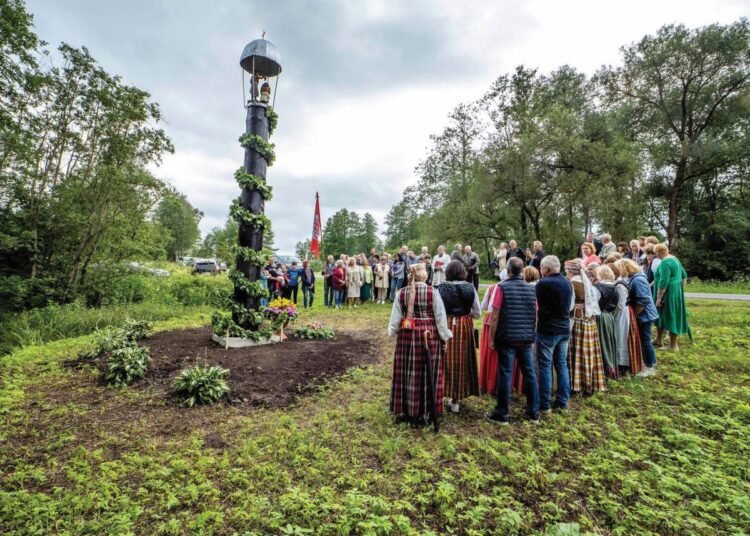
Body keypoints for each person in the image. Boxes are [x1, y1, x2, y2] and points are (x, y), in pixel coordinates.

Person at [388, 263, 452, 425]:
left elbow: (395, 320)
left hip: (407, 336)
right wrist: (444, 337)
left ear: (411, 276)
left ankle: (408, 409)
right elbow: (440, 317)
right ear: (424, 276)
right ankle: (428, 409)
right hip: (429, 335)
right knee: (428, 370)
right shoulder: (432, 292)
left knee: (408, 371)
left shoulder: (401, 293)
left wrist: (392, 332)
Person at [485, 257, 540, 425]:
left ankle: (502, 413)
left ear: (508, 271)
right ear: (522, 270)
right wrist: (532, 335)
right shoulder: (532, 289)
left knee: (505, 374)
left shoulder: (502, 287)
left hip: (507, 337)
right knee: (529, 373)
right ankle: (534, 413)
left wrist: (492, 339)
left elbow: (495, 316)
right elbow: (536, 316)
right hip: (525, 337)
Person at [435, 260, 481, 413]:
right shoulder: (470, 287)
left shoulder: (440, 287)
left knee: (442, 359)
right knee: (461, 360)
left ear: (448, 272)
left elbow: (437, 310)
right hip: (464, 324)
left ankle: (439, 395)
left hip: (445, 322)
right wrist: (465, 315)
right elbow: (477, 312)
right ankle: (456, 400)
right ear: (463, 271)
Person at [535, 255, 573, 412]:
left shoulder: (543, 283)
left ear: (546, 269)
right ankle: (563, 401)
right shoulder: (567, 283)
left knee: (545, 366)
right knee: (562, 365)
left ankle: (545, 404)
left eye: (542, 268)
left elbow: (538, 304)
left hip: (548, 329)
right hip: (564, 328)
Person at [565, 259, 606, 395]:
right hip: (590, 321)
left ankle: (576, 384)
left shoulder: (572, 283)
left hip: (578, 321)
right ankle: (589, 383)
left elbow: (570, 305)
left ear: (570, 271)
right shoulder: (587, 282)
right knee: (589, 352)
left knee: (577, 352)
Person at [617, 258, 657, 377]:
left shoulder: (638, 280)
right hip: (641, 315)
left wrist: (634, 314)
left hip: (644, 315)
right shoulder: (634, 278)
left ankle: (650, 365)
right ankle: (644, 362)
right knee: (642, 340)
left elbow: (643, 301)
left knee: (646, 340)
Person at [653, 244, 691, 351]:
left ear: (659, 252)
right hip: (675, 292)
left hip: (667, 293)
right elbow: (684, 276)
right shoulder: (674, 259)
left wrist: (659, 298)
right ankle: (658, 339)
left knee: (671, 315)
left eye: (656, 253)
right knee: (661, 314)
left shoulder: (665, 262)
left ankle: (673, 346)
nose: (656, 256)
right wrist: (679, 289)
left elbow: (664, 281)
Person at [595, 265, 620, 379]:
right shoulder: (615, 287)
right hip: (609, 317)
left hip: (600, 317)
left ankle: (605, 370)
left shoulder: (598, 287)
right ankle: (611, 368)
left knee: (602, 343)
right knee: (609, 342)